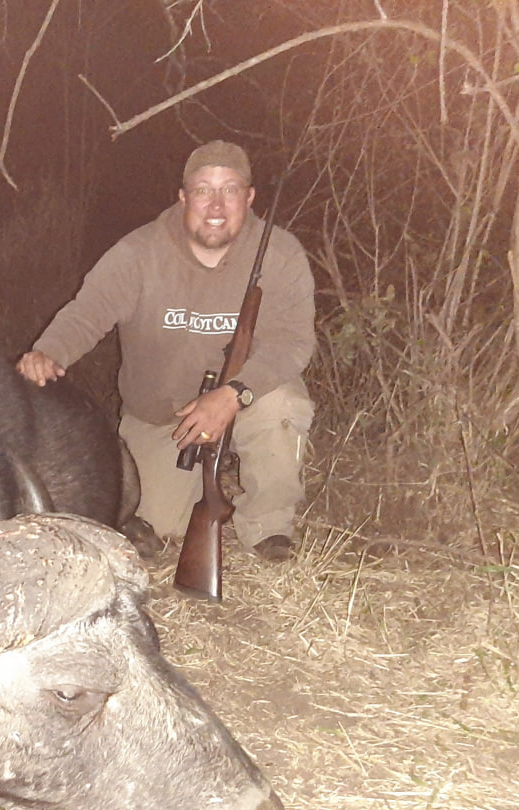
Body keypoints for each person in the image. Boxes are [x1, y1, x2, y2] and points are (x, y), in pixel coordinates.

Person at [17, 140, 315, 560]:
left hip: (244, 400)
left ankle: (269, 526)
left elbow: (294, 342)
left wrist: (233, 394)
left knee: (282, 402)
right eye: (203, 189)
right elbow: (87, 313)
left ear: (248, 198)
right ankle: (188, 493)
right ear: (182, 197)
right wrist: (49, 353)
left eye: (229, 190)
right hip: (163, 417)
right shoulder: (138, 253)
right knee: (151, 524)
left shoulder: (280, 254)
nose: (216, 204)